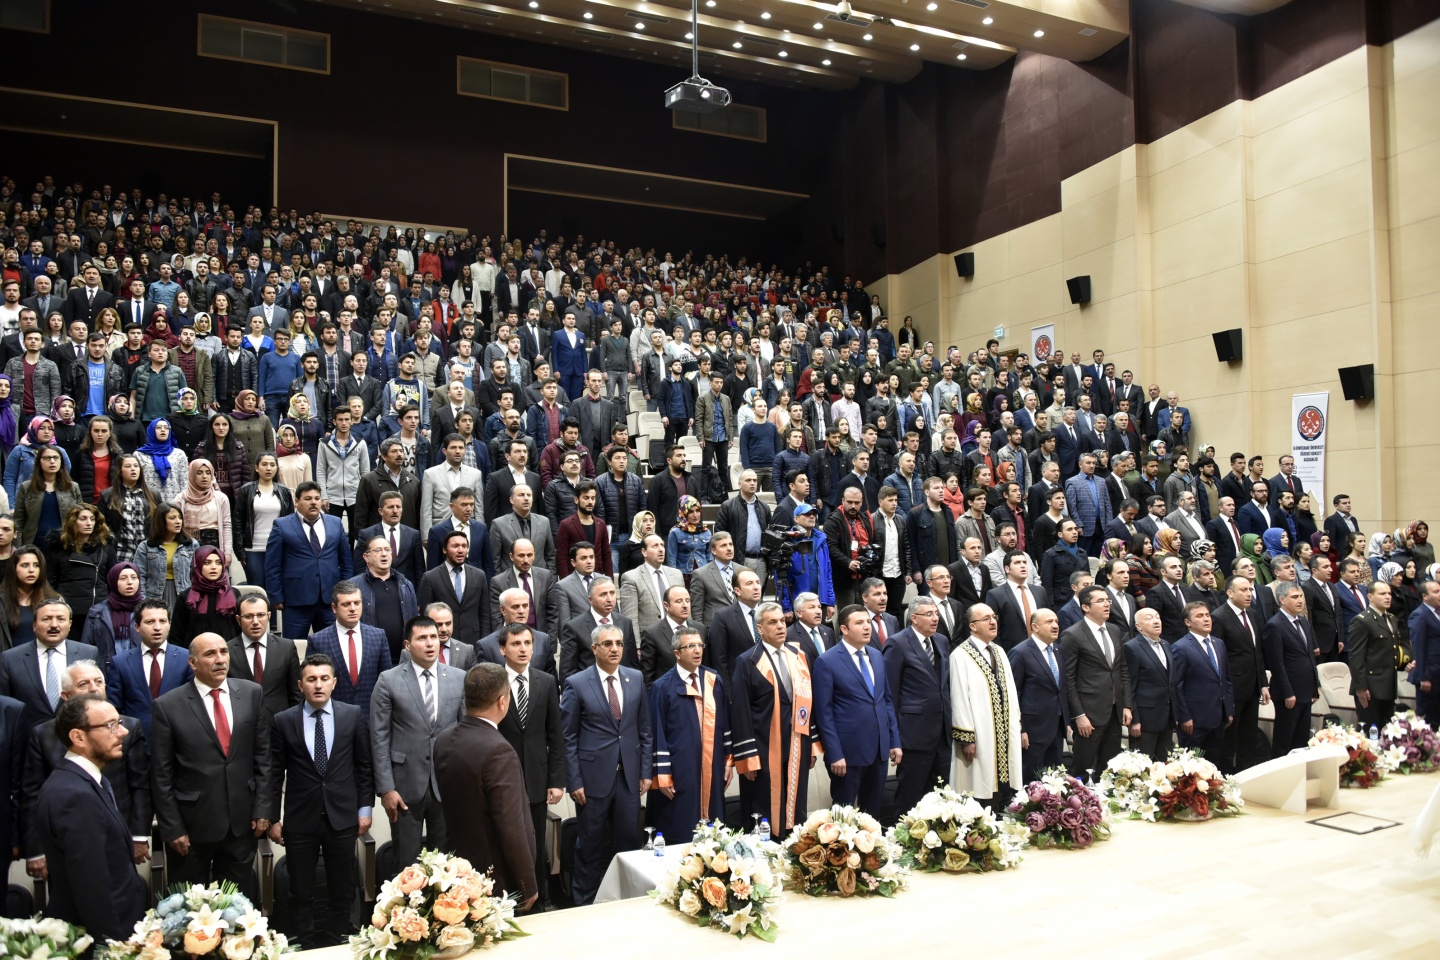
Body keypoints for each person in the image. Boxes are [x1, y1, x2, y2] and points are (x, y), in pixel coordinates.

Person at [150, 634, 272, 895]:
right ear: (192, 663)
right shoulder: (168, 705)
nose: (219, 660)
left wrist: (263, 808)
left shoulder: (252, 693)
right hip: (192, 827)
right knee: (189, 911)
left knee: (238, 910)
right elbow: (161, 774)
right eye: (210, 654)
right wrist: (171, 828)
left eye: (223, 652)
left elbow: (263, 757)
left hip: (242, 825)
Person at [265, 653, 373, 947]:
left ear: (334, 682)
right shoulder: (283, 721)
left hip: (343, 816)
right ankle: (305, 939)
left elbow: (364, 765)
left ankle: (338, 935)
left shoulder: (352, 714)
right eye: (311, 679)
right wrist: (273, 817)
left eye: (324, 678)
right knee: (300, 888)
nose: (318, 685)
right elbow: (274, 774)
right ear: (300, 685)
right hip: (301, 819)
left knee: (342, 884)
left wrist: (365, 809)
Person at [20, 661, 150, 880]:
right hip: (65, 840)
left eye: (98, 682)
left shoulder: (127, 728)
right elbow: (32, 794)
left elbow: (140, 785)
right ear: (66, 695)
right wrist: (35, 850)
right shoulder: (43, 735)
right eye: (84, 684)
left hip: (118, 833)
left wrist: (138, 836)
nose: (93, 688)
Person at [36, 694, 149, 942]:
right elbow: (93, 888)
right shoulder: (74, 796)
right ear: (78, 737)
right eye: (111, 725)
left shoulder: (80, 782)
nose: (122, 732)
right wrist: (115, 947)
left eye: (119, 722)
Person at [561, 621, 652, 906]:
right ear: (594, 649)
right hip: (592, 781)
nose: (614, 649)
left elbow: (645, 730)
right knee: (589, 847)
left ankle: (629, 903)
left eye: (619, 644)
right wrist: (574, 780)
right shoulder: (577, 683)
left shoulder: (635, 678)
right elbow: (568, 737)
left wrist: (646, 771)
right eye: (608, 644)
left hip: (628, 778)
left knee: (627, 845)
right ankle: (583, 904)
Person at [370, 615, 466, 868]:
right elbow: (379, 738)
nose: (430, 643)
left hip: (448, 784)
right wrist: (386, 789)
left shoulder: (459, 677)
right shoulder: (388, 680)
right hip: (404, 787)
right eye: (422, 638)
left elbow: (467, 733)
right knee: (407, 865)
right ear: (407, 645)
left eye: (433, 637)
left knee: (446, 866)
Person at [492, 623, 565, 907]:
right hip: (502, 777)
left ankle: (537, 900)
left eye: (527, 643)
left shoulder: (546, 681)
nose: (523, 649)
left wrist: (557, 780)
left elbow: (555, 735)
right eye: (516, 644)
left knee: (534, 843)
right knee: (505, 841)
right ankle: (504, 902)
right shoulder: (494, 680)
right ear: (502, 649)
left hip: (537, 776)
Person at [730, 601, 817, 833]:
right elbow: (740, 711)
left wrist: (812, 745)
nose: (780, 626)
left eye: (782, 621)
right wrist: (747, 757)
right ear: (760, 629)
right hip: (763, 748)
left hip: (797, 744)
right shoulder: (747, 661)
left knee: (795, 804)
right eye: (772, 622)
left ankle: (793, 850)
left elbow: (808, 701)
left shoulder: (799, 655)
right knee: (763, 806)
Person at [647, 624, 733, 844]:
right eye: (690, 646)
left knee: (713, 826)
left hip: (712, 765)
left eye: (700, 645)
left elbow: (724, 723)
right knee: (680, 824)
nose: (697, 650)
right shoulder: (662, 687)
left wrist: (728, 761)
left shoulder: (714, 680)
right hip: (679, 768)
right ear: (677, 653)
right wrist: (663, 775)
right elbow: (657, 733)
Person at [949, 603, 1023, 806]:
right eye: (986, 619)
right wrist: (967, 738)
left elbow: (1011, 692)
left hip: (1004, 731)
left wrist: (1017, 725)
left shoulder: (999, 651)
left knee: (1004, 784)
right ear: (973, 626)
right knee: (979, 785)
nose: (992, 622)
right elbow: (959, 698)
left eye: (994, 617)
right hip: (979, 734)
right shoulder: (960, 655)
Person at [883, 596, 950, 816]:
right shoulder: (898, 643)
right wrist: (894, 738)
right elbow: (890, 693)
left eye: (936, 614)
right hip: (913, 734)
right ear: (914, 618)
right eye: (929, 614)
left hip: (941, 732)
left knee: (940, 794)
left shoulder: (941, 641)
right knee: (910, 795)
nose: (934, 618)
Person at [265, 481, 353, 640]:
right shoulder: (282, 525)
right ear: (296, 501)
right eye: (308, 498)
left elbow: (346, 562)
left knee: (331, 647)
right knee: (293, 649)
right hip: (296, 600)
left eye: (317, 498)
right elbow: (272, 565)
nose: (313, 502)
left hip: (330, 599)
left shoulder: (335, 523)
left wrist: (346, 592)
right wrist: (275, 596)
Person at [1059, 586, 1130, 778]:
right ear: (1085, 607)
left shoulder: (1115, 630)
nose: (1107, 604)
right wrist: (1079, 715)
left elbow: (1122, 669)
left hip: (1115, 711)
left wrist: (1127, 705)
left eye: (1108, 600)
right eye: (1100, 601)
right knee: (1082, 768)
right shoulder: (1072, 635)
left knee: (1109, 769)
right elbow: (1069, 679)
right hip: (1089, 713)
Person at [1210, 576, 1270, 773]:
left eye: (1250, 590)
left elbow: (1257, 652)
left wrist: (1263, 683)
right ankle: (1227, 778)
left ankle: (1248, 775)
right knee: (1230, 738)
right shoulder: (1219, 616)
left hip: (1252, 686)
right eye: (1243, 590)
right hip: (1232, 688)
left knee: (1249, 736)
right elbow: (1218, 657)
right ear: (1230, 592)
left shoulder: (1252, 614)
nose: (1249, 594)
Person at [1169, 603, 1235, 762]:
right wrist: (1184, 717)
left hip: (1218, 717)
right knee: (1192, 769)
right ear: (1188, 622)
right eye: (1199, 616)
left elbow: (1226, 680)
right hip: (1194, 721)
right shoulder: (1180, 647)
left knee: (1214, 766)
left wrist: (1229, 710)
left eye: (1207, 615)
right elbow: (1176, 686)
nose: (1206, 619)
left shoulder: (1218, 644)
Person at [1262, 582, 1321, 758]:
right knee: (1284, 740)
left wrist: (1315, 685)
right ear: (1282, 600)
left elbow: (1309, 657)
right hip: (1288, 693)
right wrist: (1288, 692)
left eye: (1301, 596)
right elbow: (1276, 663)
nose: (1300, 600)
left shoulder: (1302, 621)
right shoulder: (1275, 625)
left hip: (1305, 689)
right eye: (1294, 597)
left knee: (1301, 740)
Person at [226, 595, 303, 719]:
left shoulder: (286, 648)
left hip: (279, 724)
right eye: (248, 616)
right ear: (238, 620)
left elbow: (296, 693)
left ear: (269, 616)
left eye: (260, 615)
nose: (255, 622)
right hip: (241, 724)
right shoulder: (226, 651)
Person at [1348, 581, 1412, 727]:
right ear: (1370, 596)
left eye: (1389, 593)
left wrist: (1405, 663)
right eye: (1382, 594)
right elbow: (1356, 657)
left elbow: (1391, 651)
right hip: (1370, 687)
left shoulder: (1391, 619)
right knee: (1370, 733)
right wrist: (1361, 687)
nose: (1388, 597)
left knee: (1387, 733)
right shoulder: (1362, 621)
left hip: (1388, 685)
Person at [417, 530, 492, 647]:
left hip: (473, 642)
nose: (461, 550)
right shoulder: (430, 577)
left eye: (464, 546)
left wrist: (485, 642)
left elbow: (485, 615)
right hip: (442, 643)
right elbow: (425, 617)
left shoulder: (479, 575)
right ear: (444, 550)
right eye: (455, 546)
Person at [1122, 608, 1174, 762]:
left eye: (1157, 617)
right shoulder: (1132, 647)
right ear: (1138, 626)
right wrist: (1135, 719)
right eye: (1149, 618)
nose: (1156, 621)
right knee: (1143, 767)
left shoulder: (1166, 644)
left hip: (1167, 715)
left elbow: (1170, 682)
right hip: (1145, 718)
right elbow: (1130, 685)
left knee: (1164, 765)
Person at [985, 550, 1050, 651]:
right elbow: (993, 630)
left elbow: (1049, 620)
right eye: (1017, 563)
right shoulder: (996, 595)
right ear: (1007, 569)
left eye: (1024, 562)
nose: (1023, 565)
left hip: (1042, 650)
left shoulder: (1040, 591)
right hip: (1011, 653)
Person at [172, 546, 239, 641]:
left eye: (218, 563)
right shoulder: (186, 597)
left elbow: (239, 629)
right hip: (194, 652)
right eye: (207, 563)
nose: (214, 567)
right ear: (197, 565)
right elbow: (176, 635)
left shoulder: (232, 594)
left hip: (227, 651)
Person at [619, 534, 684, 629]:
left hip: (677, 635)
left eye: (662, 545)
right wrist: (637, 644)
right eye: (655, 546)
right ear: (644, 552)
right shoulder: (631, 578)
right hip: (649, 640)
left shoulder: (676, 575)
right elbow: (630, 619)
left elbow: (684, 608)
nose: (661, 549)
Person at [1409, 579, 1440, 727]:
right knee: (1428, 720)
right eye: (1436, 592)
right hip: (1429, 676)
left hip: (1438, 674)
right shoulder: (1420, 615)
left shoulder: (1437, 613)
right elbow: (1419, 648)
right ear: (1424, 596)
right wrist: (1423, 677)